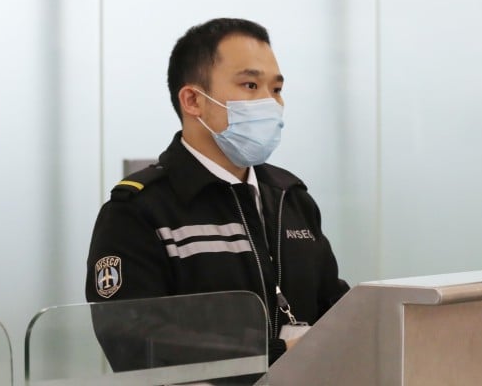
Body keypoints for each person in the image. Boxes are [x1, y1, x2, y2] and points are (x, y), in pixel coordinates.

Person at [86, 18, 349, 371]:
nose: (270, 103)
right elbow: (133, 339)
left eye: (276, 89)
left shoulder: (290, 199)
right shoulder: (140, 211)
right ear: (193, 100)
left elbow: (337, 309)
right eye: (251, 85)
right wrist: (274, 351)